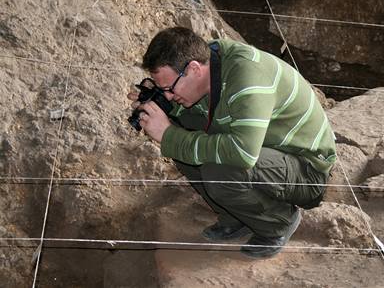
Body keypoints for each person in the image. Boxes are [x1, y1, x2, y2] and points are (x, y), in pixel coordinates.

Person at [128, 26, 336, 259]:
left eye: (168, 89)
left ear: (194, 69)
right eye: (162, 89)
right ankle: (236, 217)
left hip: (307, 170)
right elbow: (203, 119)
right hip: (269, 153)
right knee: (182, 138)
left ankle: (279, 221)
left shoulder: (247, 77)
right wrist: (164, 108)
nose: (167, 94)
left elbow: (242, 153)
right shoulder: (209, 65)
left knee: (219, 166)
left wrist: (168, 135)